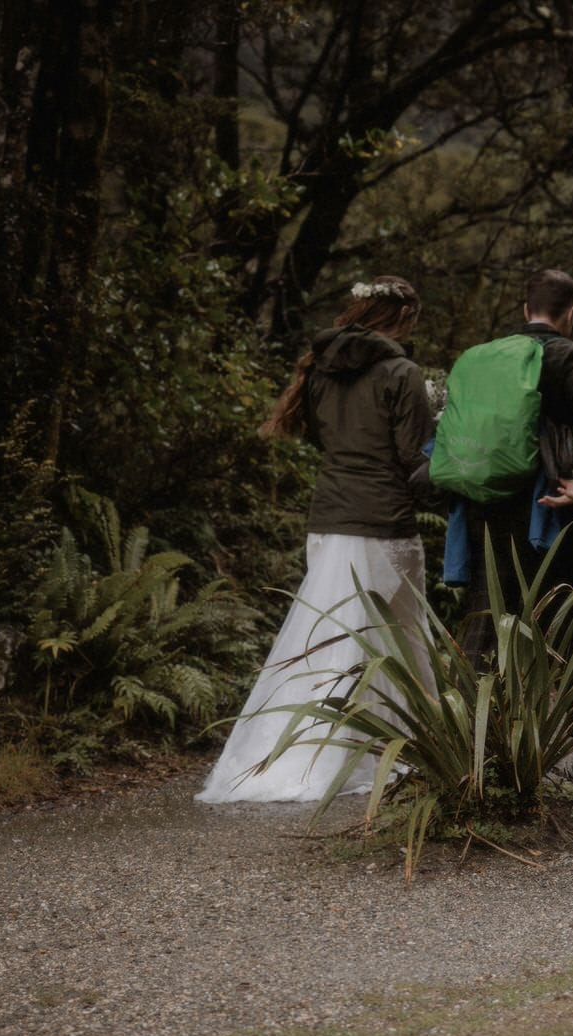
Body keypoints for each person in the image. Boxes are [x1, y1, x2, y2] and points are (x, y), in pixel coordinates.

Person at [197, 277, 436, 803]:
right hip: (381, 522)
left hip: (327, 521)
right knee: (393, 635)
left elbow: (330, 439)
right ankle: (389, 747)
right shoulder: (401, 372)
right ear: (401, 319)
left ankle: (397, 744)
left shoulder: (323, 369)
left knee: (338, 636)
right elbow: (414, 457)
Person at [457, 269, 573, 776]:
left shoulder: (485, 357)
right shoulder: (565, 354)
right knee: (567, 624)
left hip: (484, 508)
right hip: (545, 509)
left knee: (487, 621)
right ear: (570, 312)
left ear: (524, 310)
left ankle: (470, 750)